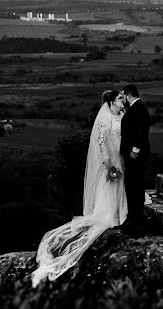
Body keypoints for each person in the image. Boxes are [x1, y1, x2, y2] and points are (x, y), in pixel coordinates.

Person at [31, 90, 128, 286]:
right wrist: (108, 164)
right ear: (110, 101)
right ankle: (110, 215)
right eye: (118, 98)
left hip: (122, 158)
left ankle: (122, 212)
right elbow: (100, 143)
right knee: (109, 189)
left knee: (122, 188)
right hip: (109, 162)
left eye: (122, 98)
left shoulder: (122, 115)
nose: (122, 101)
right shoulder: (104, 119)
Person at [120, 83, 151, 231]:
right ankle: (133, 216)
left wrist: (135, 150)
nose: (123, 99)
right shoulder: (135, 108)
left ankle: (136, 218)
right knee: (132, 185)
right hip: (132, 154)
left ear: (128, 95)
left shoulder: (139, 109)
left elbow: (141, 131)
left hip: (135, 155)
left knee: (135, 185)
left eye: (123, 96)